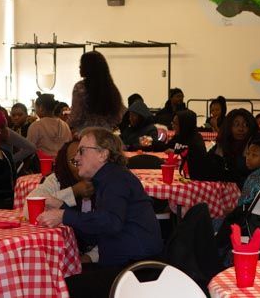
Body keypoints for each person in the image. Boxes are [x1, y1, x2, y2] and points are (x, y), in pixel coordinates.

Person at [37, 127, 163, 297]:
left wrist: (64, 215)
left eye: (82, 151)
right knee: (62, 279)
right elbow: (96, 232)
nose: (76, 158)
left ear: (103, 154)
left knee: (60, 287)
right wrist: (62, 207)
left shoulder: (115, 179)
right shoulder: (109, 178)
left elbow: (111, 222)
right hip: (130, 265)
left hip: (135, 271)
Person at [69, 51, 125, 132]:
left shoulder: (80, 87)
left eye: (82, 64)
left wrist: (65, 126)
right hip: (106, 133)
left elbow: (76, 117)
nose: (79, 67)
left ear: (89, 67)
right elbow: (118, 117)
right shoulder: (110, 87)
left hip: (85, 133)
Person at [207, 108, 258, 187]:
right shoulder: (222, 144)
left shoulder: (255, 144)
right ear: (228, 127)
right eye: (236, 125)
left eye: (245, 125)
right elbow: (208, 162)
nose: (241, 129)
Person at [169, 109, 222, 181]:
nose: (172, 125)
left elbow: (196, 162)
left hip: (193, 178)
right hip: (179, 174)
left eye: (175, 123)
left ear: (184, 124)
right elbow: (166, 147)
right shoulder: (178, 136)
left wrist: (175, 151)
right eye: (172, 122)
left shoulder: (196, 141)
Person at [27, 93, 72, 157]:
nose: (35, 111)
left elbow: (29, 149)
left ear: (41, 108)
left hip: (43, 164)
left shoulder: (36, 126)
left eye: (35, 108)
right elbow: (69, 147)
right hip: (61, 164)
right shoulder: (65, 125)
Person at [238, 140, 260, 207]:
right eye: (248, 154)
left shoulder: (254, 178)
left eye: (254, 155)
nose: (248, 158)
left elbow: (243, 204)